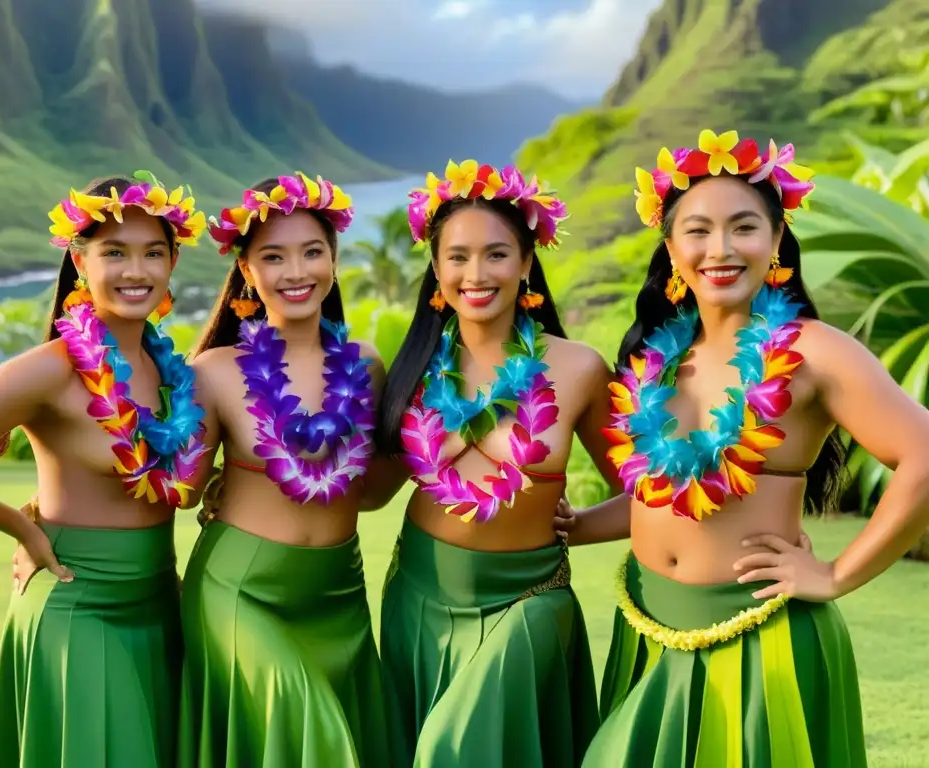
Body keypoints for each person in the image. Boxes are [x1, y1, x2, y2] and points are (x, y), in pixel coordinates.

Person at [567, 129, 929, 767]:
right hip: (647, 632)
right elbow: (670, 496)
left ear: (776, 240)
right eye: (698, 231)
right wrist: (575, 527)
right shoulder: (657, 359)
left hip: (761, 638)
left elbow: (923, 454)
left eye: (743, 227)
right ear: (672, 248)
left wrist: (837, 574)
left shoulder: (812, 351)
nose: (721, 249)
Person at [0, 173, 208, 767]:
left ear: (173, 262)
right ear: (79, 259)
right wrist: (22, 529)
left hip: (159, 606)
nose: (135, 271)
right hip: (80, 609)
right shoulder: (51, 369)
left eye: (153, 253)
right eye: (113, 252)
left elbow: (181, 482)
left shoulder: (172, 372)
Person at [364, 160, 619, 767]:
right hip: (419, 600)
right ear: (435, 266)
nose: (475, 274)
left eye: (496, 255)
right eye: (456, 256)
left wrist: (583, 527)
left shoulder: (578, 369)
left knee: (454, 749)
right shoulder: (416, 370)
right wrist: (235, 481)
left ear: (528, 262)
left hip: (528, 603)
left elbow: (649, 492)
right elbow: (372, 493)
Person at [176, 172, 391, 767]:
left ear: (333, 258)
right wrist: (49, 510)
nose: (297, 271)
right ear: (247, 270)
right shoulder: (215, 371)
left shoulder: (366, 364)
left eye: (312, 252)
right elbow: (180, 491)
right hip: (242, 592)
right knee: (312, 736)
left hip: (338, 594)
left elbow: (370, 490)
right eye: (273, 256)